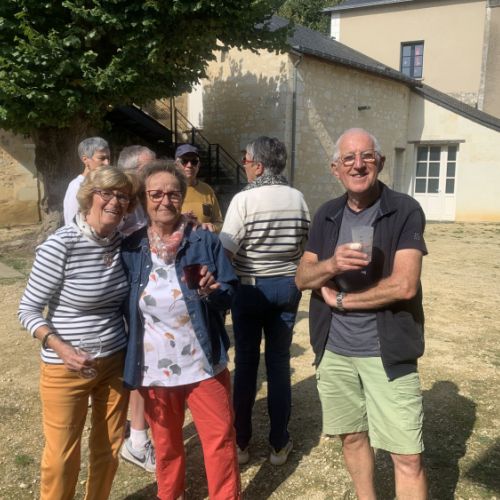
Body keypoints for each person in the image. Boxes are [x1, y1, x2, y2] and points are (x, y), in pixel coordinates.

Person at [295, 128, 428, 499]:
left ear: (380, 163)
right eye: (348, 158)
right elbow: (302, 277)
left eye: (367, 156)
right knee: (352, 437)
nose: (358, 165)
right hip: (335, 351)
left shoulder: (404, 210)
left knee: (407, 457)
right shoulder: (327, 214)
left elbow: (404, 285)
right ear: (335, 168)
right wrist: (332, 264)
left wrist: (342, 301)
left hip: (387, 353)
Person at [121, 160, 241, 499]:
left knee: (219, 440)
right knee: (167, 445)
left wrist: (214, 291)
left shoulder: (204, 241)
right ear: (144, 199)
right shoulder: (131, 248)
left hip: (204, 363)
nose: (165, 201)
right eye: (156, 194)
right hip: (155, 369)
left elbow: (230, 291)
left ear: (182, 197)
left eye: (173, 194)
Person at [18, 167, 139, 500]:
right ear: (89, 197)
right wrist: (61, 348)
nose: (115, 201)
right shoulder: (61, 245)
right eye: (106, 193)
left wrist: (194, 226)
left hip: (114, 362)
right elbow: (27, 310)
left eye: (123, 196)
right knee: (61, 456)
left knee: (109, 447)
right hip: (65, 367)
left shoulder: (124, 244)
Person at [219, 136, 310, 466]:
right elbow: (305, 245)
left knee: (246, 364)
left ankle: (241, 442)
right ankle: (279, 444)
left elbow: (226, 251)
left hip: (250, 288)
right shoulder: (298, 198)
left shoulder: (244, 200)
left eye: (246, 160)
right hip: (287, 287)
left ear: (258, 166)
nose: (244, 165)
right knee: (279, 363)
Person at [116, 145, 157, 472]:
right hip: (125, 289)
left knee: (140, 360)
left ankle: (138, 435)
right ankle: (137, 441)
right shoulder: (120, 202)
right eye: (150, 168)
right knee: (135, 362)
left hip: (140, 287)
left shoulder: (141, 200)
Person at [175, 144, 223, 232]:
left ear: (199, 165)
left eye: (194, 161)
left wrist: (211, 227)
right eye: (184, 161)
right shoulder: (169, 190)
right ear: (176, 165)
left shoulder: (207, 190)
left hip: (203, 239)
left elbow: (219, 222)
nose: (189, 165)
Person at [63, 137, 110, 225]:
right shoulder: (77, 187)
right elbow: (72, 223)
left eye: (108, 158)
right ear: (85, 159)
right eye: (102, 158)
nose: (107, 163)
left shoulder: (103, 184)